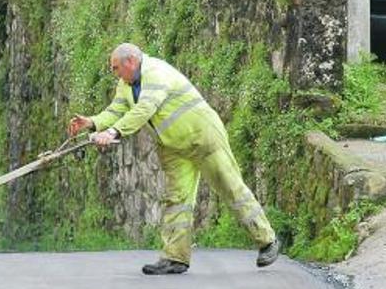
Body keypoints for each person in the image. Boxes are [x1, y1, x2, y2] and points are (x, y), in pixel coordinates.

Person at [68, 43, 279, 275]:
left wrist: (112, 133)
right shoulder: (125, 84)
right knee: (176, 199)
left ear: (130, 62)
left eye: (116, 68)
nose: (114, 73)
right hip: (173, 147)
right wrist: (93, 122)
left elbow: (145, 109)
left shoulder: (156, 72)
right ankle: (175, 257)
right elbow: (116, 110)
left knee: (231, 188)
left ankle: (268, 241)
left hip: (202, 137)